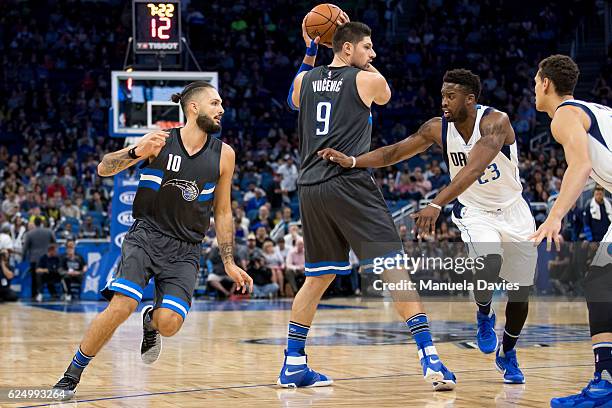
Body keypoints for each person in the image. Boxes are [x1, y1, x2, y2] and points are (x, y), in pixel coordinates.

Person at [319, 68, 537, 384]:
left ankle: (508, 352)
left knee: (521, 295)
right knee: (488, 262)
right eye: (442, 96)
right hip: (476, 211)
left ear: (470, 99)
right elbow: (393, 152)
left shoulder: (495, 122)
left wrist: (436, 203)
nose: (444, 102)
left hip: (515, 212)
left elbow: (474, 168)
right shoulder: (437, 129)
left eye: (451, 96)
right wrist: (352, 161)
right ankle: (484, 315)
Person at [278, 18, 455, 390]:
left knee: (318, 277)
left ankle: (293, 364)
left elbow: (295, 94)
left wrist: (313, 49)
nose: (373, 53)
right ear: (347, 48)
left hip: (310, 188)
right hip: (348, 182)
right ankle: (430, 359)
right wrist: (356, 57)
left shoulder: (305, 82)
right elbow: (386, 93)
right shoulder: (367, 80)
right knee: (394, 267)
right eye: (367, 47)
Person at [52, 81, 253, 399]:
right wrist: (135, 152)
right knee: (122, 305)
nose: (222, 109)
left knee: (169, 324)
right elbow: (105, 168)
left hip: (186, 249)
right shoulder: (159, 142)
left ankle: (151, 322)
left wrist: (229, 261)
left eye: (221, 104)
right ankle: (71, 375)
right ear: (193, 108)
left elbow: (224, 211)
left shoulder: (224, 155)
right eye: (215, 103)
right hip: (147, 236)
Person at [528, 54, 612, 407]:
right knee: (601, 280)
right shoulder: (596, 110)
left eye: (535, 82)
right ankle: (605, 380)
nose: (534, 88)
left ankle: (605, 383)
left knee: (602, 280)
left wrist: (555, 215)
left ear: (546, 83)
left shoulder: (564, 115)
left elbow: (581, 164)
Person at [23, 216, 55, 300]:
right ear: (41, 223)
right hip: (46, 258)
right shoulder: (49, 231)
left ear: (34, 223)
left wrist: (23, 258)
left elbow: (25, 248)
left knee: (34, 278)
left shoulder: (29, 233)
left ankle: (34, 295)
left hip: (34, 258)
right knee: (49, 276)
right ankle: (53, 294)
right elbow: (54, 243)